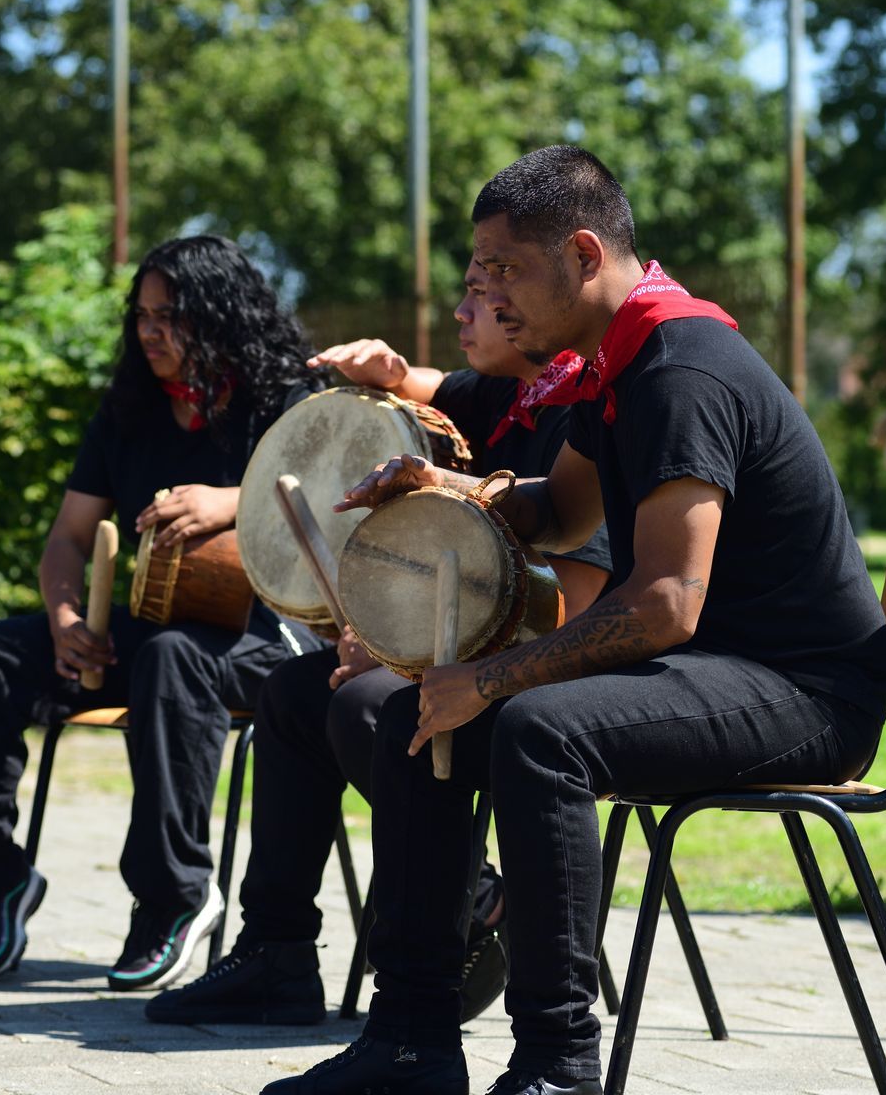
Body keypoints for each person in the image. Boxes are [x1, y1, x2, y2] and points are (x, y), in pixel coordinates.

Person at [265, 147, 886, 1095]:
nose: (491, 294)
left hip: (806, 691)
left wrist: (487, 677)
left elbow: (666, 604)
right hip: (718, 670)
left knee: (537, 730)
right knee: (409, 723)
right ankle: (411, 1042)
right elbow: (560, 512)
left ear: (584, 254)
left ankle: (559, 1065)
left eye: (506, 269)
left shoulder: (680, 371)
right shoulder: (620, 362)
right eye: (483, 271)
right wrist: (444, 486)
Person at [146, 279, 612, 1027]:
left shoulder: (580, 415)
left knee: (369, 704)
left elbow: (570, 612)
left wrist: (406, 652)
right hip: (459, 653)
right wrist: (390, 373)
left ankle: (466, 909)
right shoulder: (504, 394)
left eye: (488, 290)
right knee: (293, 694)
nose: (463, 311)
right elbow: (428, 384)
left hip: (545, 674)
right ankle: (277, 953)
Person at [0, 235, 325, 991]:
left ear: (222, 314)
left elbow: (332, 499)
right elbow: (68, 538)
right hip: (153, 634)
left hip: (267, 638)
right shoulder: (130, 408)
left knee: (172, 657)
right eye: (142, 315)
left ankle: (173, 898)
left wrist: (233, 501)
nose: (150, 331)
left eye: (170, 316)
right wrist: (65, 619)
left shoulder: (288, 398)